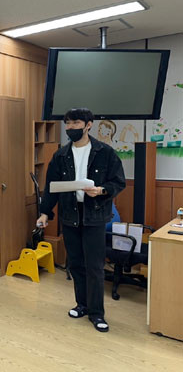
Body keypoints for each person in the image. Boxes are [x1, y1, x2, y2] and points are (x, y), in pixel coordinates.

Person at [36, 108, 126, 333]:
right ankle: (82, 305)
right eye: (67, 123)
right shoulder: (61, 155)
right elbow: (51, 188)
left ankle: (97, 313)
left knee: (94, 266)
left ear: (88, 125)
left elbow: (118, 182)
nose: (70, 127)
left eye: (75, 123)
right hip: (70, 215)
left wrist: (102, 190)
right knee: (76, 264)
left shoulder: (105, 152)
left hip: (94, 215)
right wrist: (45, 212)